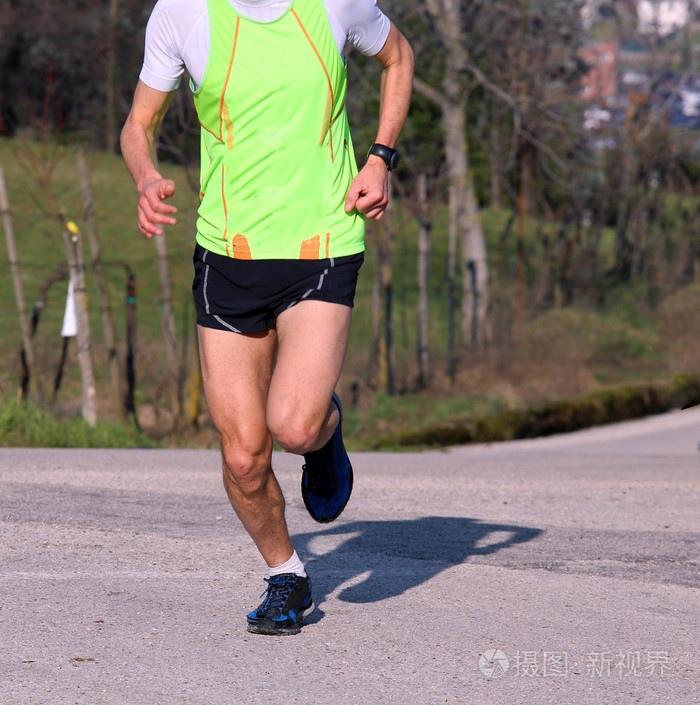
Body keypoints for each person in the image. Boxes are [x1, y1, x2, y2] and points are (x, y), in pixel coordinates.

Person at [121, 0, 413, 636]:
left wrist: (380, 157)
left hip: (323, 242)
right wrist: (146, 179)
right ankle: (287, 574)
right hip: (228, 252)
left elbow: (399, 58)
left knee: (294, 425)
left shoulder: (336, 4)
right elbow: (138, 126)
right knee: (246, 456)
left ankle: (324, 432)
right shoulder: (181, 13)